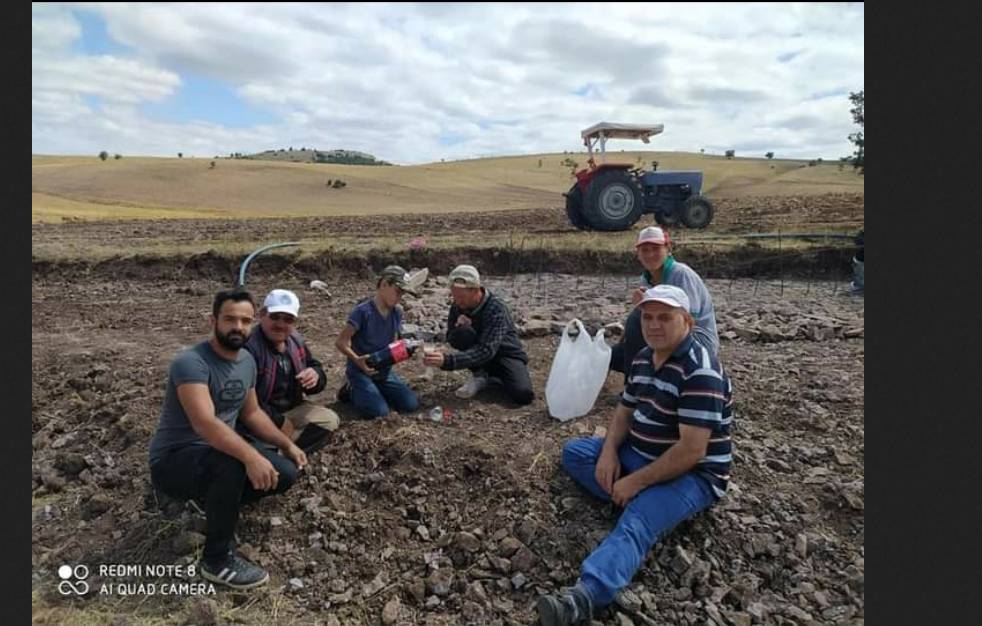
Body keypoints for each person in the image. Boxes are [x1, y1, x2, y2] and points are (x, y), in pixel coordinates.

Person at [537, 285, 733, 625]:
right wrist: (610, 453)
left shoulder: (700, 370)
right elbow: (625, 412)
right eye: (648, 316)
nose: (654, 325)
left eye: (665, 317)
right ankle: (638, 496)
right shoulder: (642, 358)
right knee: (576, 453)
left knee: (636, 523)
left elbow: (691, 450)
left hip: (693, 473)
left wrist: (635, 482)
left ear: (686, 321)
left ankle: (584, 597)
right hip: (639, 453)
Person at [149, 289, 308, 590]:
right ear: (213, 320)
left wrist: (287, 445)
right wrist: (251, 456)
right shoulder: (191, 362)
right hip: (174, 459)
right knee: (233, 465)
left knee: (284, 474)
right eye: (230, 319)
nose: (238, 327)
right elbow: (205, 424)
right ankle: (216, 560)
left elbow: (251, 413)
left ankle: (209, 500)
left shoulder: (245, 360)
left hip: (213, 455)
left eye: (245, 321)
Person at [610, 226, 719, 380]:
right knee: (614, 353)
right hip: (668, 330)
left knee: (638, 319)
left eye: (655, 249)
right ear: (638, 254)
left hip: (697, 339)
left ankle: (635, 384)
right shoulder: (647, 278)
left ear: (668, 249)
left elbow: (686, 320)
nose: (650, 254)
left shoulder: (681, 274)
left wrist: (643, 305)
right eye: (645, 250)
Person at [242, 289, 338, 455]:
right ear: (262, 315)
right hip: (257, 414)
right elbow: (244, 400)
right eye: (275, 317)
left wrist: (315, 375)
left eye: (287, 319)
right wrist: (279, 421)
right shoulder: (248, 348)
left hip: (291, 407)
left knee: (330, 420)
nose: (280, 324)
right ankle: (276, 449)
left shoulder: (295, 340)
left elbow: (314, 366)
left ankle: (280, 450)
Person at [422, 264, 534, 405]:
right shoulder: (457, 306)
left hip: (505, 354)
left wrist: (448, 361)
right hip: (480, 356)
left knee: (523, 395)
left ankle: (495, 378)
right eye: (454, 296)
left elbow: (487, 350)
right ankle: (480, 374)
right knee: (462, 333)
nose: (457, 301)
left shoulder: (496, 308)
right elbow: (451, 336)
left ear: (476, 290)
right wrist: (460, 328)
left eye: (461, 297)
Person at [335, 266, 421, 418]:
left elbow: (393, 341)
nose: (400, 297)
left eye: (403, 294)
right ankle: (350, 389)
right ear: (384, 284)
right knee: (379, 412)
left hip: (384, 371)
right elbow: (341, 342)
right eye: (398, 291)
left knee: (410, 404)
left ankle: (374, 391)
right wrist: (357, 360)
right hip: (360, 371)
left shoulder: (397, 312)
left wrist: (406, 350)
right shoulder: (362, 312)